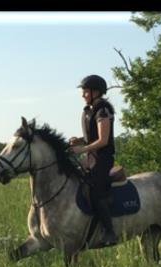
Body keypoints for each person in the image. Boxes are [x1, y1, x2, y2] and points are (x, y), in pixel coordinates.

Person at [68, 74, 118, 247]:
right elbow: (92, 137)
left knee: (96, 190)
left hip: (103, 159)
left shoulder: (103, 110)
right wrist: (80, 141)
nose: (83, 94)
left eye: (85, 91)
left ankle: (109, 231)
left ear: (95, 92)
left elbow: (103, 140)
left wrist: (81, 149)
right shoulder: (89, 110)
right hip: (91, 158)